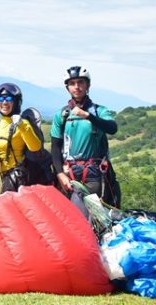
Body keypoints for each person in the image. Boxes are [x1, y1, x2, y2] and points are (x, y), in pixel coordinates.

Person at [51, 66, 121, 207]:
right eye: (72, 83)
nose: (76, 87)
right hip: (68, 172)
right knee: (66, 217)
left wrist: (88, 116)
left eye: (80, 82)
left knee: (95, 218)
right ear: (67, 87)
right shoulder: (62, 115)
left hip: (94, 173)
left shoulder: (99, 111)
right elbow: (55, 147)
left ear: (87, 85)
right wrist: (59, 174)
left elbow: (112, 128)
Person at [0, 83, 42, 193]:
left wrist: (22, 125)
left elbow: (35, 147)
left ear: (16, 102)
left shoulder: (22, 124)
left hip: (14, 180)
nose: (4, 102)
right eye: (0, 99)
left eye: (9, 98)